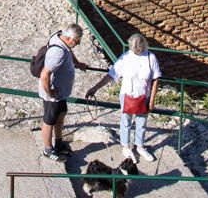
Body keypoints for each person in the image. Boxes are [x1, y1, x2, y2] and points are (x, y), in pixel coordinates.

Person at [83, 33, 162, 163]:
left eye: (138, 48)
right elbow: (111, 74)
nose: (136, 50)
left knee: (141, 123)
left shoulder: (150, 58)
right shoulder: (125, 58)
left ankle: (140, 146)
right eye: (134, 48)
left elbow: (155, 80)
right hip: (127, 95)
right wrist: (95, 88)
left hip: (144, 96)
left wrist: (152, 100)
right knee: (126, 121)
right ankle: (126, 146)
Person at [37, 24, 93, 160]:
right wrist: (50, 92)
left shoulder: (61, 39)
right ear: (69, 38)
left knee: (61, 114)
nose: (78, 44)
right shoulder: (57, 53)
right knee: (49, 120)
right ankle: (48, 149)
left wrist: (77, 63)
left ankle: (59, 143)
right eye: (77, 42)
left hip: (60, 93)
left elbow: (69, 51)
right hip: (53, 95)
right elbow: (45, 75)